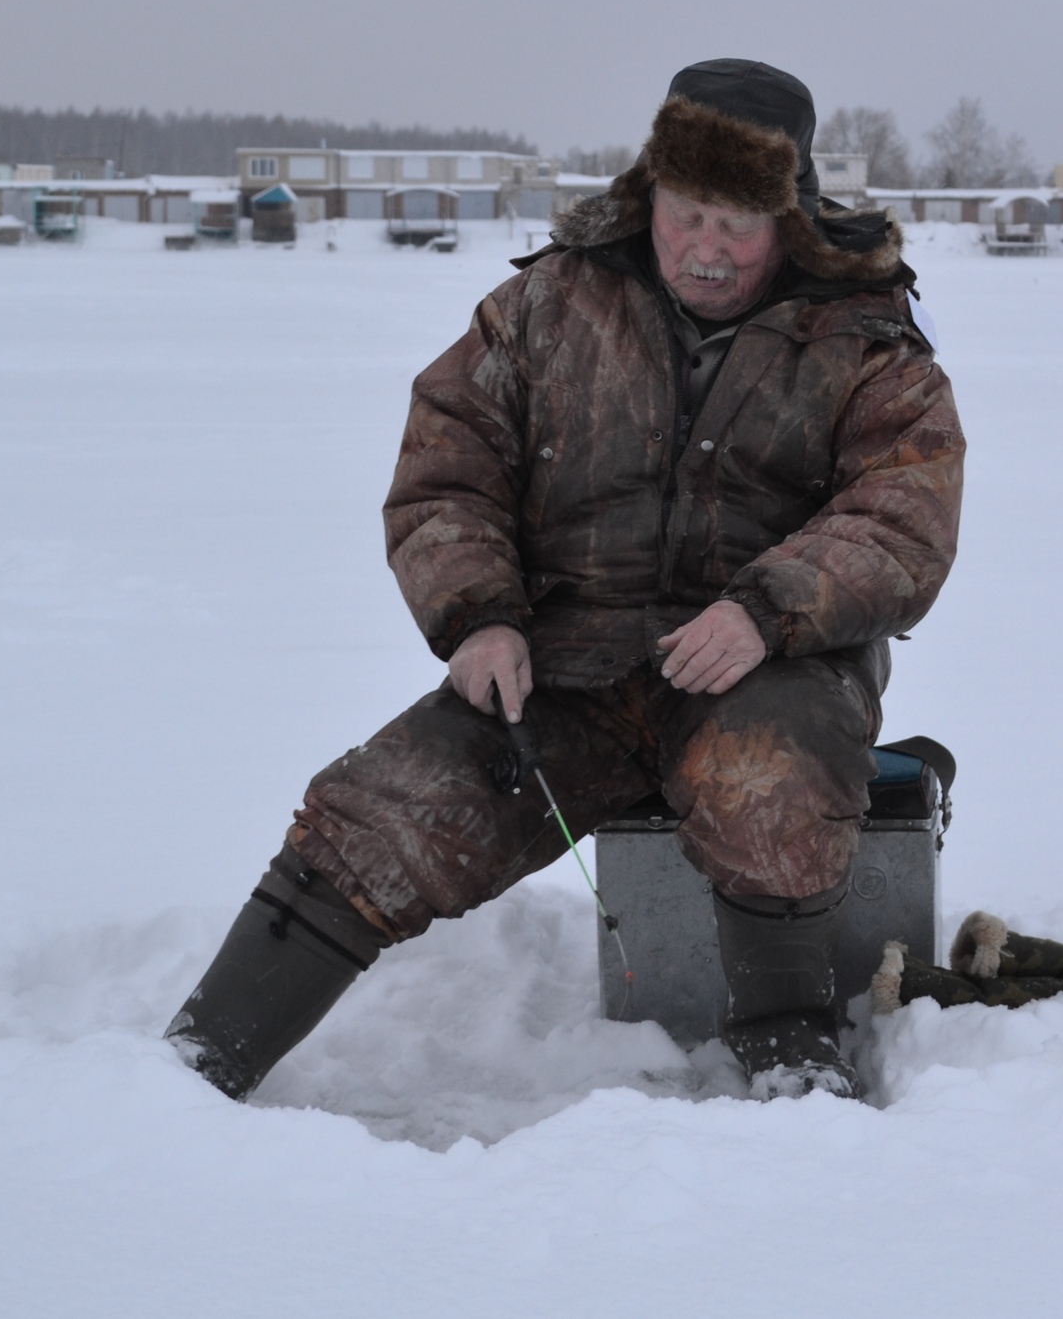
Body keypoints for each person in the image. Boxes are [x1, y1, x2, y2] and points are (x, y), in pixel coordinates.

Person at [166, 59, 966, 1101]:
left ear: (791, 219)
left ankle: (790, 1051)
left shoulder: (866, 334)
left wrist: (766, 610)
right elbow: (447, 471)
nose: (708, 248)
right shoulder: (547, 301)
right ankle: (193, 1067)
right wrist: (478, 617)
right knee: (374, 813)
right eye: (688, 216)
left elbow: (901, 517)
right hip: (563, 666)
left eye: (738, 223)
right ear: (652, 198)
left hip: (771, 664)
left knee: (769, 784)